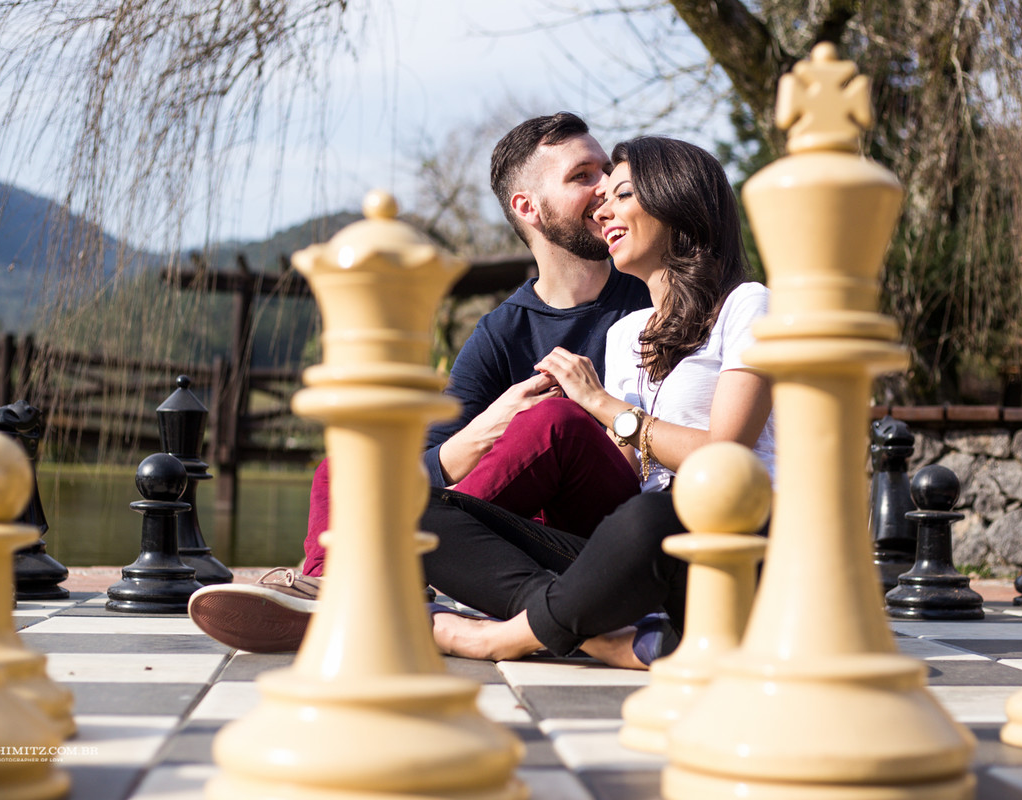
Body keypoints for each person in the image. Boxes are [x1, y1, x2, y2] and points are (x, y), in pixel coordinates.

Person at [187, 113, 651, 651]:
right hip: (528, 548)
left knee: (555, 421)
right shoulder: (502, 331)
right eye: (582, 176)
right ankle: (336, 582)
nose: (605, 191)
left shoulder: (648, 292)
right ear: (528, 208)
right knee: (346, 467)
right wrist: (487, 427)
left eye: (606, 173)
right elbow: (423, 460)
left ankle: (366, 583)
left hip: (621, 530)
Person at [420, 135, 774, 670]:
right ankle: (605, 638)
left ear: (677, 198)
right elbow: (624, 473)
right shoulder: (627, 332)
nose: (602, 208)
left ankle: (501, 638)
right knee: (419, 515)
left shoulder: (747, 305)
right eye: (599, 194)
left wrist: (602, 405)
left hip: (725, 544)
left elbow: (725, 458)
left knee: (649, 517)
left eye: (622, 193)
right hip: (637, 558)